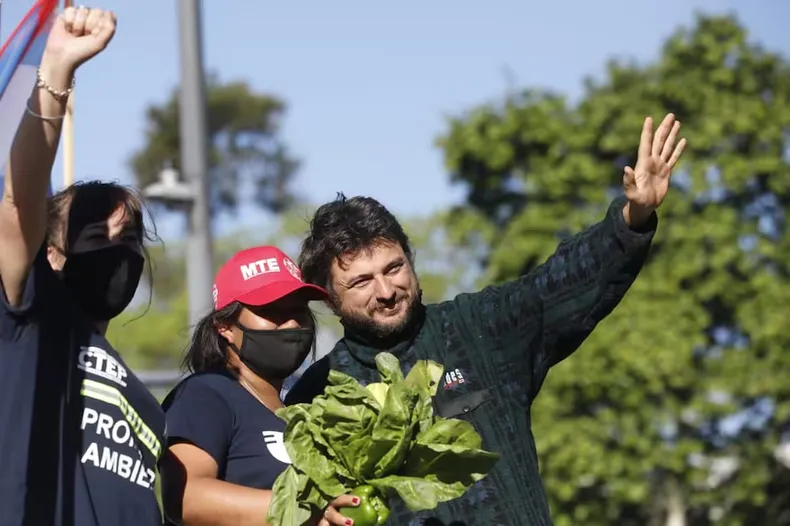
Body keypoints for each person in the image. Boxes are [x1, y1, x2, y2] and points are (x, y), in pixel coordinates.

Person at [285, 114, 687, 525]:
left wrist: (631, 217)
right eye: (362, 282)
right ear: (330, 300)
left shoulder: (481, 328)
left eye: (393, 268)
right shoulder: (318, 395)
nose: (386, 291)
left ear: (411, 260)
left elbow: (560, 283)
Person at [0, 6, 165, 526]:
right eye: (96, 235)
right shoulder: (31, 316)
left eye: (130, 239)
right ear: (52, 253)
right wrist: (57, 71)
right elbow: (18, 204)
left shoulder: (143, 399)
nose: (119, 251)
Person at [159, 246, 361, 526]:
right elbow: (185, 497)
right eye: (271, 311)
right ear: (225, 326)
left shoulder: (302, 409)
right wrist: (306, 511)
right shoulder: (206, 394)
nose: (290, 322)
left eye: (298, 310)